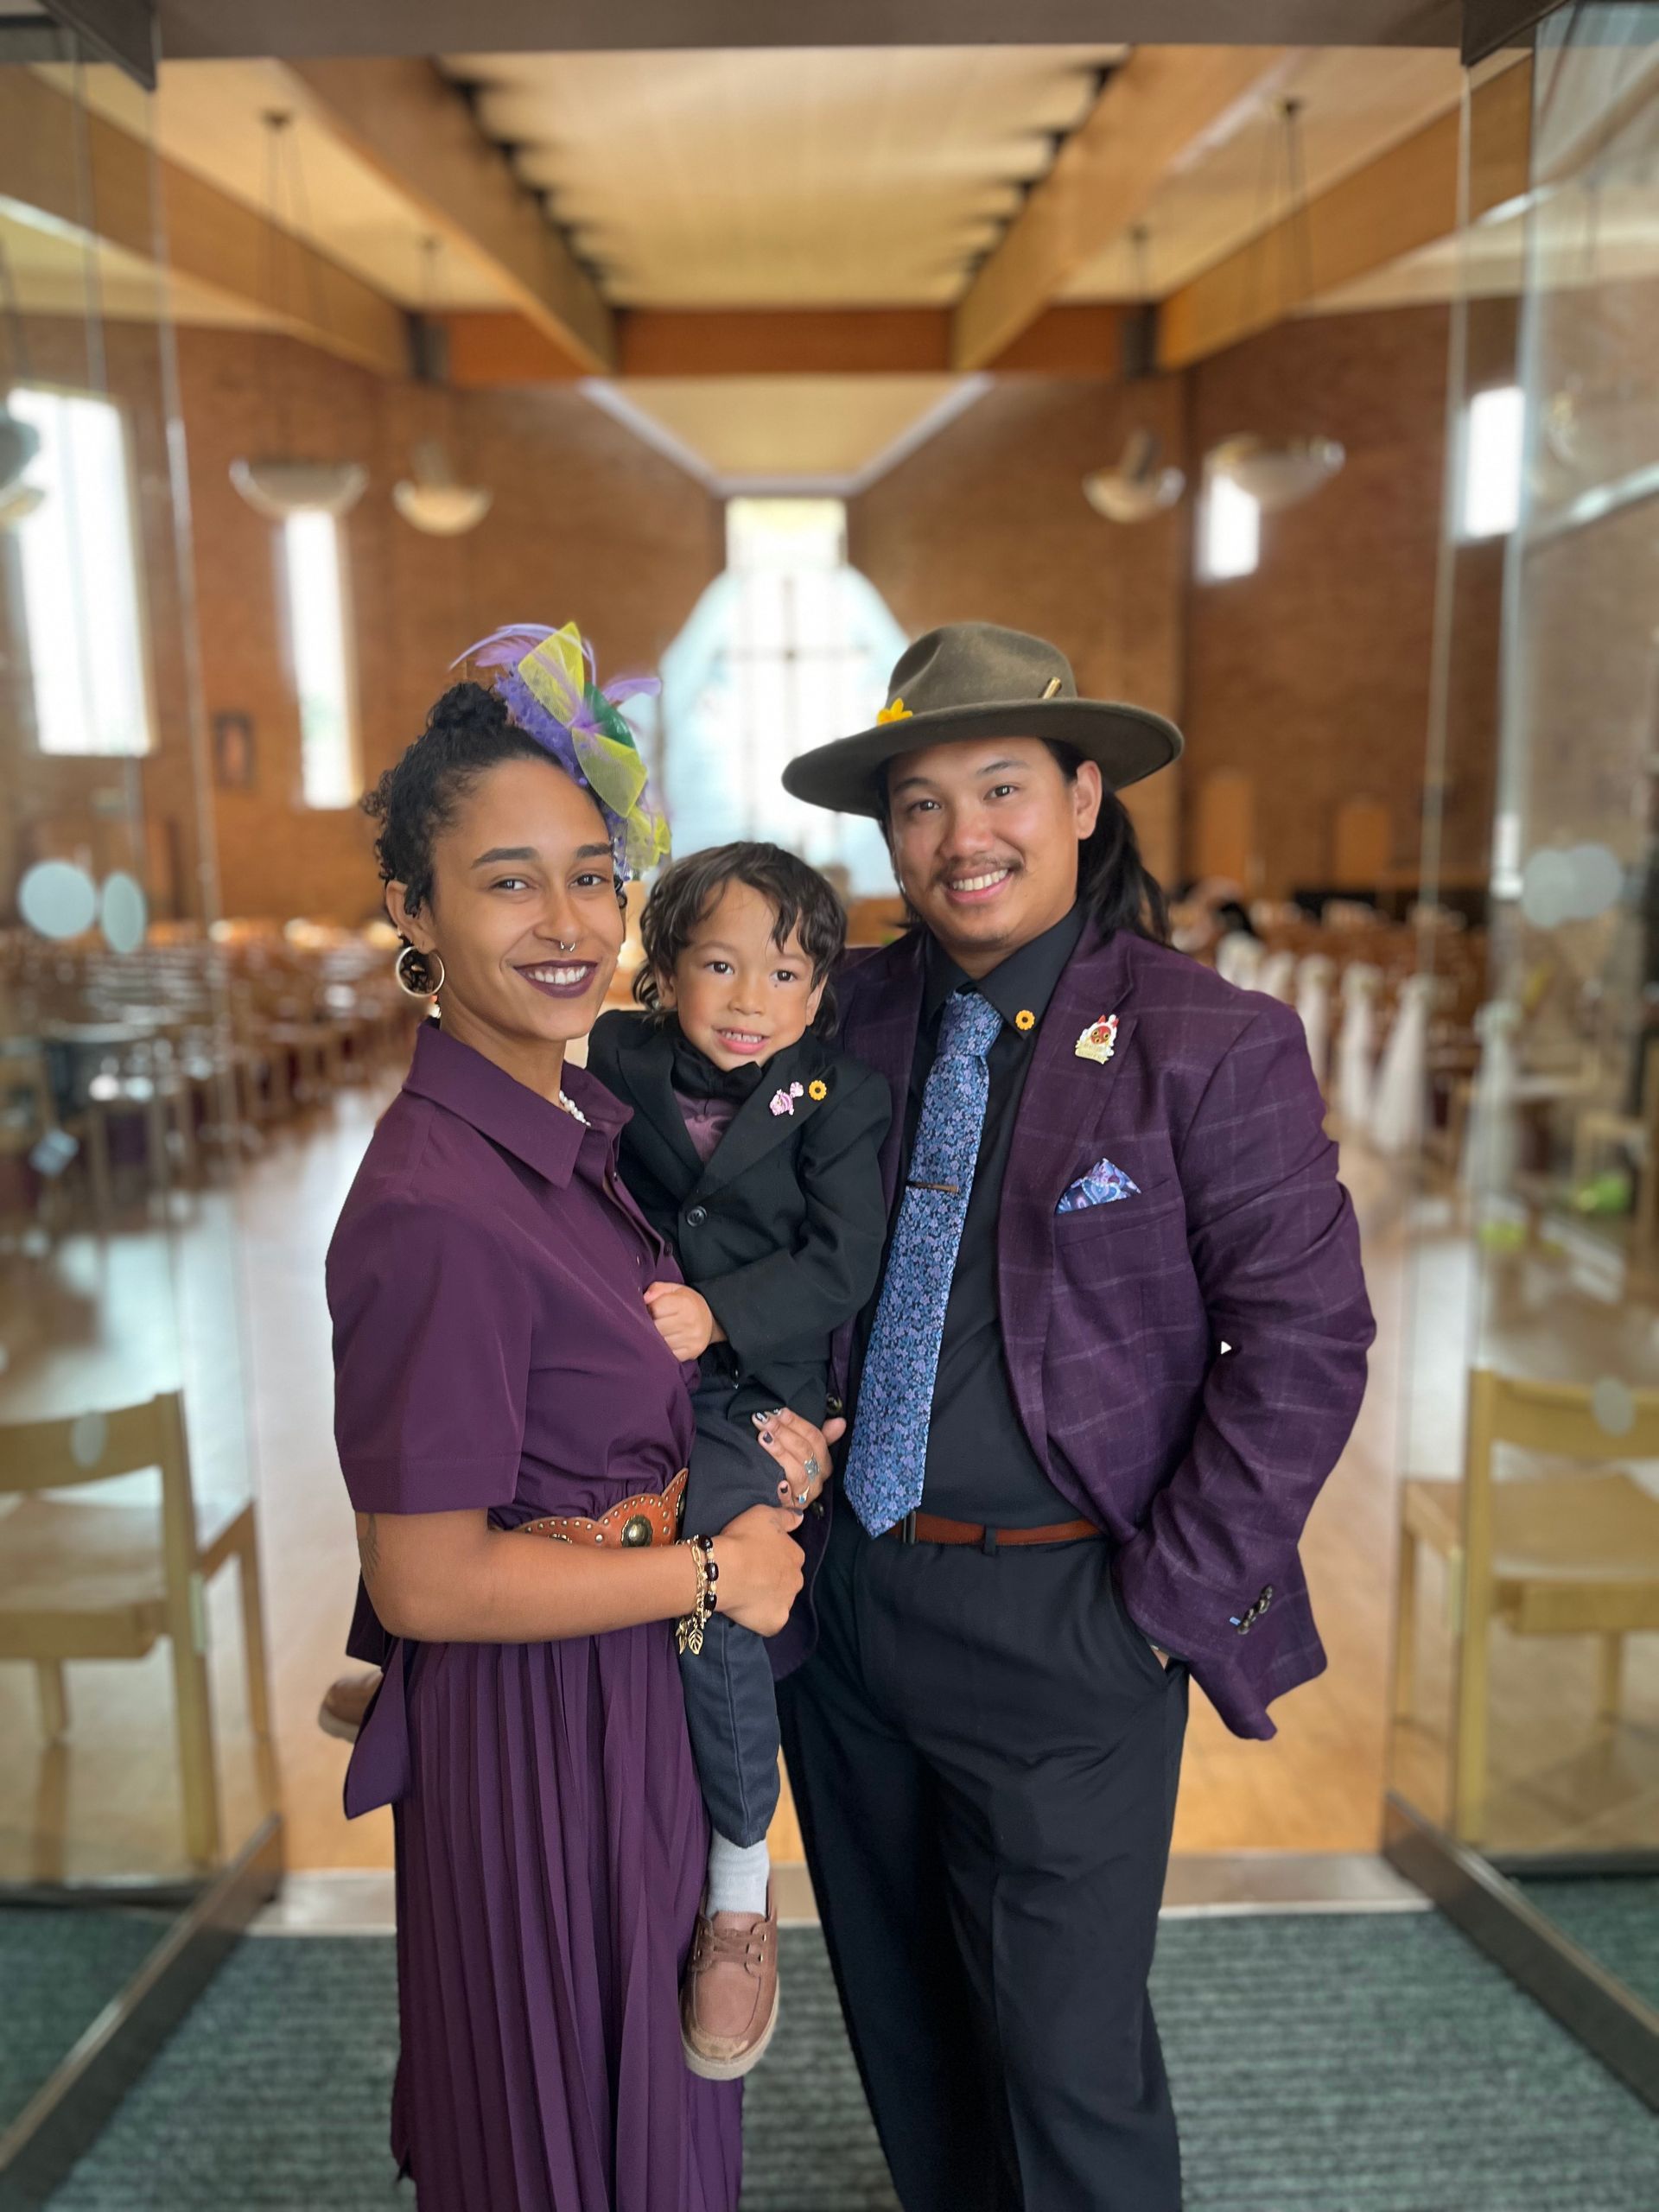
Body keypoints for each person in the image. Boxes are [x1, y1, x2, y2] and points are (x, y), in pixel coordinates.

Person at [772, 621, 1376, 2212]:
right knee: (908, 2030)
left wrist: (1159, 1609)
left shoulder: (1209, 1040)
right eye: (919, 803)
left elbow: (1308, 1341)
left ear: (1084, 797)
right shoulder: (839, 1017)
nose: (960, 836)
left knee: (1065, 2063)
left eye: (1001, 788)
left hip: (1070, 1621)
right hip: (847, 1605)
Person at [326, 621, 838, 2212]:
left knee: (653, 2116)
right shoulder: (434, 1201)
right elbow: (427, 1579)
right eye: (508, 881)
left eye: (595, 876)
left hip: (629, 1677)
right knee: (561, 2127)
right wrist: (716, 1573)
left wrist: (778, 1443)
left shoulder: (577, 1124)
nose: (569, 924)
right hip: (540, 1720)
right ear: (412, 910)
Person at [588, 842, 891, 2079]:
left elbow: (843, 1261)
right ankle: (412, 1660)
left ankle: (738, 1877)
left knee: (714, 1571)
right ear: (663, 972)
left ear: (819, 994)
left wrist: (719, 1314)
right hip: (625, 1358)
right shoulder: (613, 1055)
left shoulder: (841, 1098)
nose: (751, 999)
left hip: (756, 1391)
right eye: (719, 965)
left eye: (785, 973)